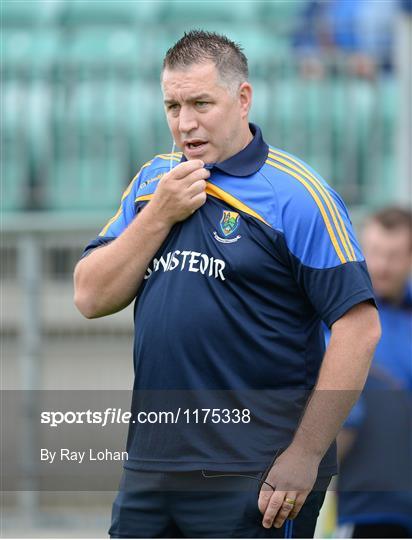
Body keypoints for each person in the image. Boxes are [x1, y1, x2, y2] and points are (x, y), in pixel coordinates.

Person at [74, 30, 380, 538]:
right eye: (172, 106)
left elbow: (360, 327)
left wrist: (304, 454)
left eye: (200, 103)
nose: (184, 123)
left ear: (242, 99)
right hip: (151, 468)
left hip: (256, 474)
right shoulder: (154, 182)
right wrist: (158, 218)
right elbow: (89, 295)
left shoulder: (296, 193)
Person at [335, 207, 412, 538]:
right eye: (375, 252)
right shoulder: (335, 321)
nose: (381, 265)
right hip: (364, 510)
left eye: (393, 256)